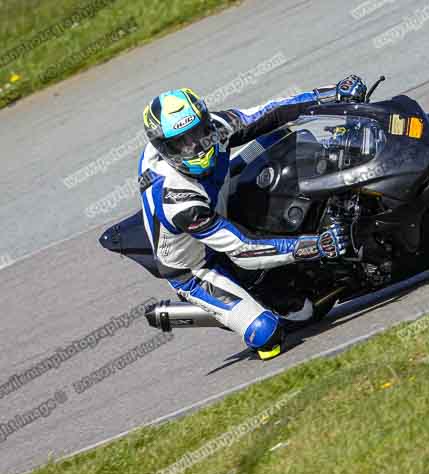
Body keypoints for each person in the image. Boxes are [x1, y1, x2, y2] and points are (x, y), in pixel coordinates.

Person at [138, 75, 368, 360]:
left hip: (217, 203)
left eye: (198, 133)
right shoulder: (176, 199)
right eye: (182, 144)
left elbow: (267, 113)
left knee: (281, 137)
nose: (195, 146)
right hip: (198, 268)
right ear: (165, 149)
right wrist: (315, 245)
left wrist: (330, 95)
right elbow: (244, 249)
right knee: (267, 335)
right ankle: (217, 308)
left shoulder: (216, 130)